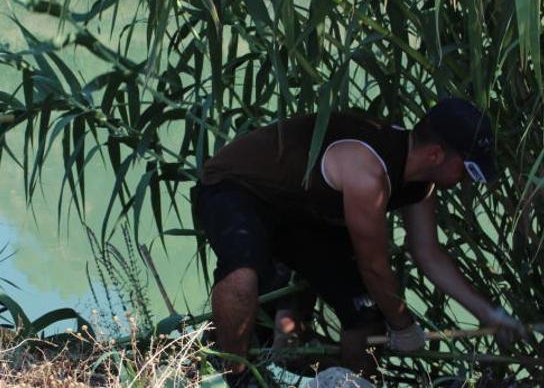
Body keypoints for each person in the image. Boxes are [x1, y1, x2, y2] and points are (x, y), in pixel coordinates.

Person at [195, 98, 527, 385]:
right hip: (236, 188)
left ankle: (350, 381)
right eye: (466, 170)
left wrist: (490, 313)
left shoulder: (421, 184)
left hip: (300, 215)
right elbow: (373, 266)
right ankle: (235, 379)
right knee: (242, 276)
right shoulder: (369, 172)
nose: (467, 180)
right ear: (437, 154)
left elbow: (428, 253)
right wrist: (403, 324)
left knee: (366, 317)